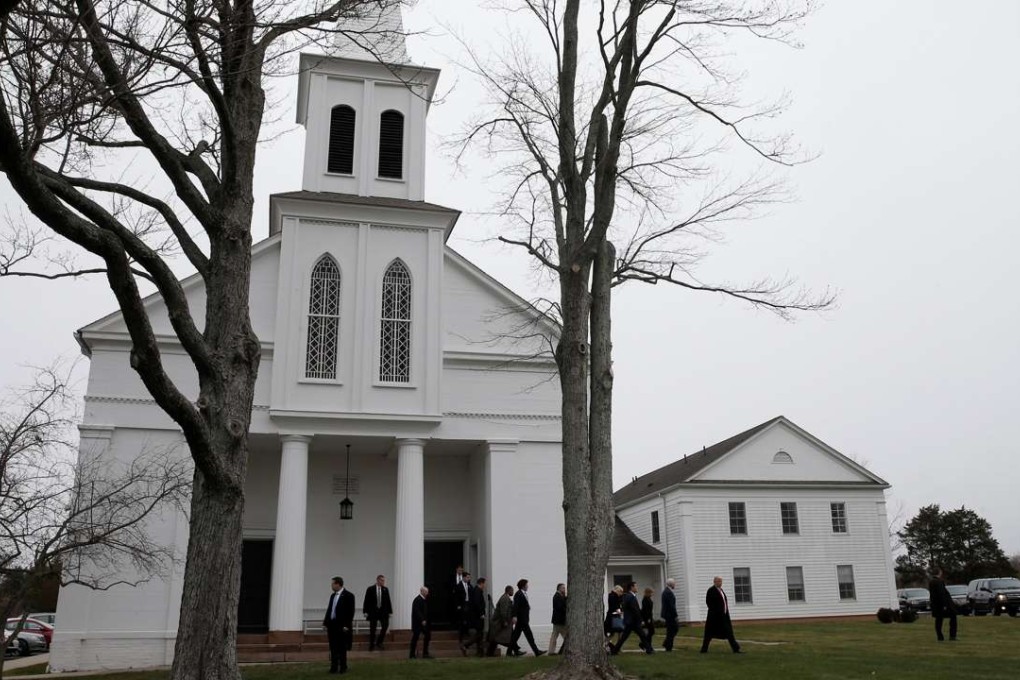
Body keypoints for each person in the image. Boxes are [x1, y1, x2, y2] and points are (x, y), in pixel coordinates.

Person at [322, 576, 355, 674]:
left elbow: (350, 612)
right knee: (333, 648)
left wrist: (346, 625)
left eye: (332, 583)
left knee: (342, 648)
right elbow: (330, 610)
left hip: (342, 626)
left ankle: (343, 667)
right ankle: (333, 667)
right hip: (332, 626)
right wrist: (325, 623)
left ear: (338, 584)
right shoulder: (333, 596)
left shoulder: (349, 595)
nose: (331, 585)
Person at [700, 576, 741, 654]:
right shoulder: (711, 591)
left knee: (729, 632)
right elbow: (709, 603)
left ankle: (736, 649)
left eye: (721, 581)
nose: (720, 583)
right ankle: (704, 649)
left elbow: (724, 603)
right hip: (714, 617)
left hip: (724, 616)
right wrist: (716, 612)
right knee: (709, 633)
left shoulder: (721, 590)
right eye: (718, 581)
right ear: (714, 582)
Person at [612, 581, 653, 655]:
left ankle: (614, 650)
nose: (637, 588)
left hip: (631, 621)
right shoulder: (630, 596)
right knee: (641, 635)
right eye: (635, 586)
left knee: (638, 636)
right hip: (632, 621)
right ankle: (649, 650)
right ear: (632, 587)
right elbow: (634, 610)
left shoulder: (630, 596)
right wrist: (640, 619)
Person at [510, 578, 546, 657]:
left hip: (523, 619)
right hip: (522, 619)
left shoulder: (522, 593)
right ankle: (536, 652)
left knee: (515, 636)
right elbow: (515, 606)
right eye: (526, 585)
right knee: (529, 636)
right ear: (523, 586)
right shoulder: (519, 594)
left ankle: (509, 652)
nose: (528, 586)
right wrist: (514, 616)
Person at [363, 574, 392, 651]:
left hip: (383, 612)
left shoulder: (385, 589)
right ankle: (371, 644)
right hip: (373, 612)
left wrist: (390, 611)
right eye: (382, 580)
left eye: (384, 580)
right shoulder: (370, 589)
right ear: (378, 580)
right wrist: (365, 611)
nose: (383, 582)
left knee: (385, 626)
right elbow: (366, 601)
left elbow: (388, 601)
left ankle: (379, 642)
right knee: (373, 629)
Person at [929, 567, 958, 641]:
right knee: (953, 616)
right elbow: (941, 594)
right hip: (942, 605)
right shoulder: (939, 582)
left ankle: (940, 636)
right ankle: (952, 636)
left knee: (938, 620)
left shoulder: (931, 582)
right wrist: (945, 605)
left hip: (935, 605)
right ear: (939, 573)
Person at [462, 577, 488, 656]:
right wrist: (481, 614)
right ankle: (466, 645)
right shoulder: (477, 591)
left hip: (477, 616)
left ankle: (480, 652)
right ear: (481, 583)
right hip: (478, 616)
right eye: (485, 583)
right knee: (479, 634)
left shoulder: (478, 590)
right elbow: (477, 604)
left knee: (480, 634)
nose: (485, 585)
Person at [487, 584, 515, 657]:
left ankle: (489, 654)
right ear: (509, 591)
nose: (513, 592)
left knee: (496, 639)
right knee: (499, 638)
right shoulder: (505, 598)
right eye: (512, 590)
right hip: (499, 622)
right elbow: (503, 611)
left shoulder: (505, 597)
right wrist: (504, 621)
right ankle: (513, 651)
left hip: (499, 621)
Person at [409, 586, 433, 659]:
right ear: (422, 591)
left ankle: (425, 653)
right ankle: (412, 654)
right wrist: (422, 619)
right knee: (415, 638)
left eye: (427, 591)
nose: (427, 593)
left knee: (428, 636)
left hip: (424, 623)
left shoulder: (424, 599)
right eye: (426, 592)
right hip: (417, 623)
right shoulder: (417, 600)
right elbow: (417, 611)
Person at [455, 571, 474, 645]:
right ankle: (461, 636)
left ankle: (467, 632)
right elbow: (456, 597)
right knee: (462, 620)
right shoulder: (459, 586)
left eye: (469, 577)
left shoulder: (469, 585)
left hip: (468, 604)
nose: (469, 579)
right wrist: (458, 605)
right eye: (467, 577)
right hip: (462, 604)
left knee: (468, 619)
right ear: (463, 577)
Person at [549, 583, 567, 655]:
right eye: (563, 588)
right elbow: (560, 607)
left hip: (557, 620)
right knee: (567, 637)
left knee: (554, 636)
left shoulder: (559, 596)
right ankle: (560, 652)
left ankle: (551, 651)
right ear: (559, 588)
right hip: (559, 620)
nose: (564, 589)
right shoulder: (557, 596)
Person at [661, 578, 679, 652]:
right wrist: (675, 615)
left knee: (671, 630)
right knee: (673, 630)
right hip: (670, 615)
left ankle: (667, 643)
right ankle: (668, 645)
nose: (675, 584)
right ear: (671, 584)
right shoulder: (668, 592)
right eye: (674, 583)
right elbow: (671, 605)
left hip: (667, 614)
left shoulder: (666, 591)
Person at [604, 585, 624, 649]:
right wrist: (618, 610)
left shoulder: (614, 596)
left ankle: (612, 645)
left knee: (617, 631)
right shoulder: (613, 596)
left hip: (613, 617)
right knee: (611, 632)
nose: (621, 594)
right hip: (613, 617)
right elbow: (614, 606)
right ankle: (607, 645)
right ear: (617, 590)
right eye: (620, 592)